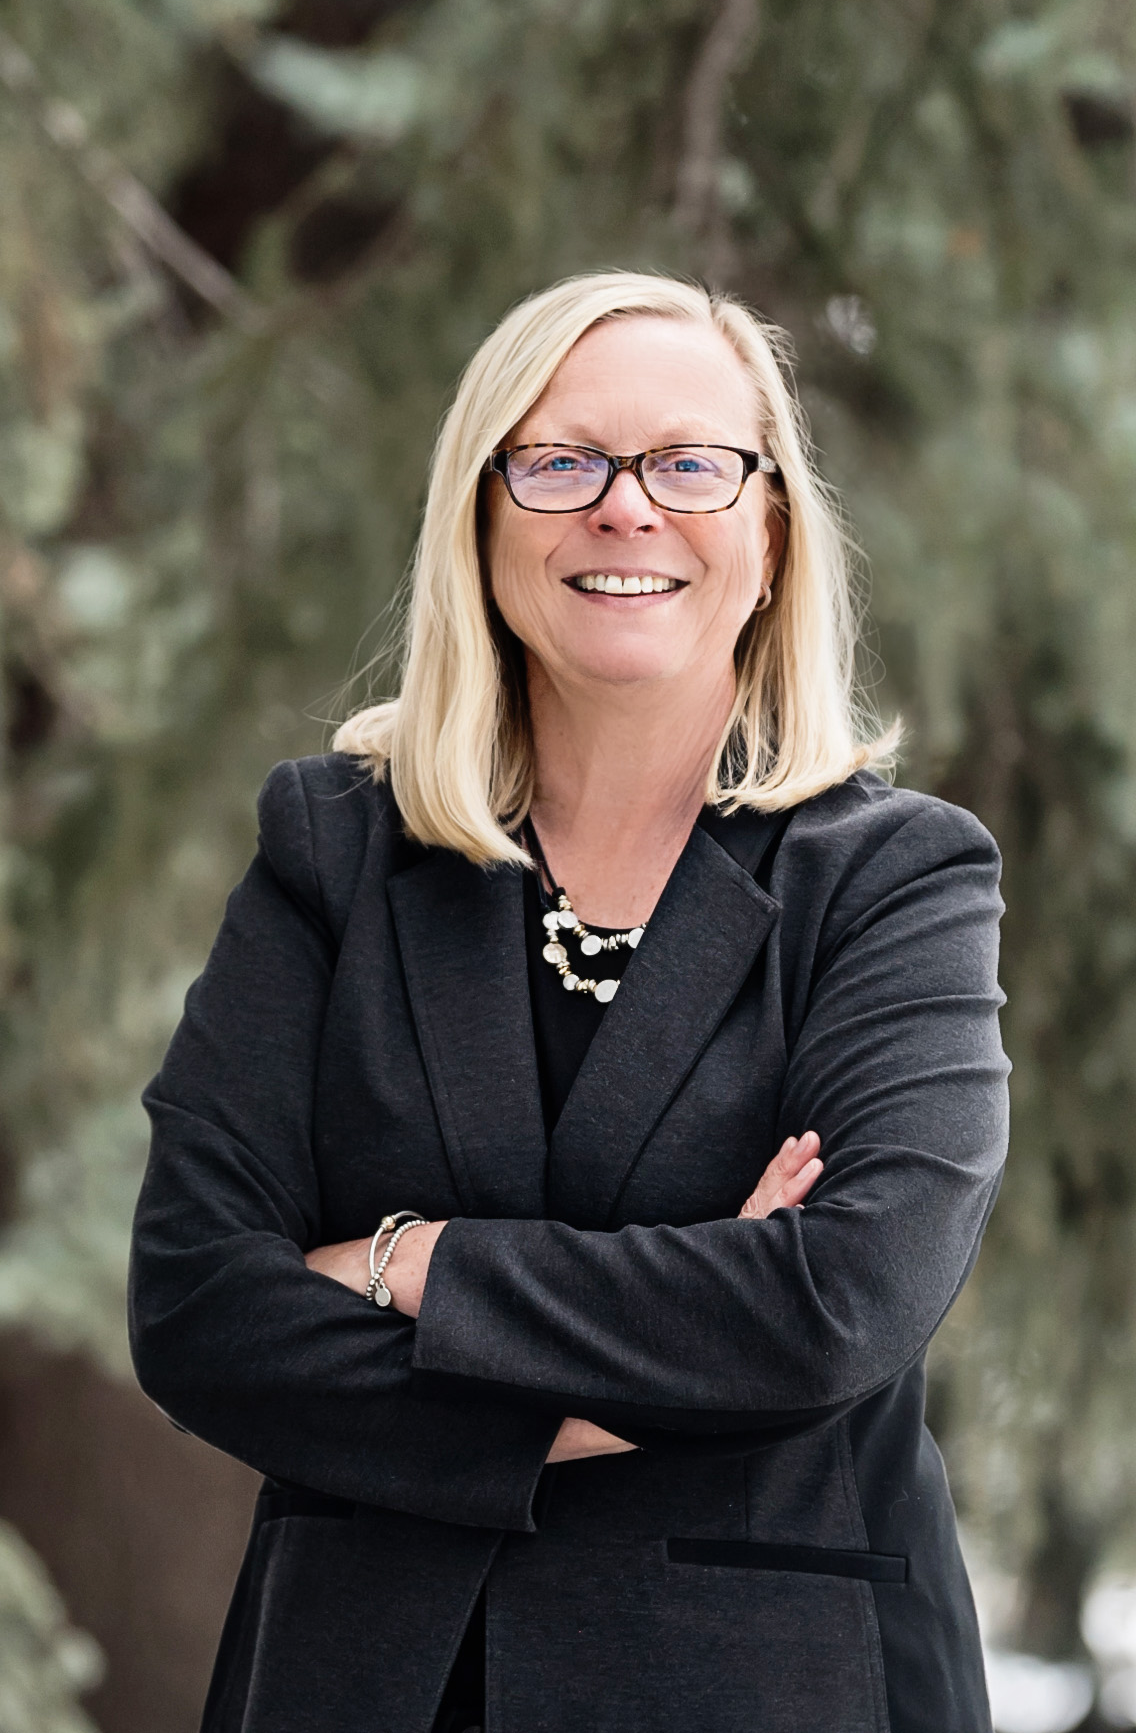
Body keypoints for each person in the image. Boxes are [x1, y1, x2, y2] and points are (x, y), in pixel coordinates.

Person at [128, 270, 1010, 1733]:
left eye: (688, 462)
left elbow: (835, 1301)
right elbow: (199, 1309)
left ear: (771, 529)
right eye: (558, 460)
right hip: (360, 1682)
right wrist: (642, 1382)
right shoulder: (331, 851)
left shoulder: (897, 880)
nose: (623, 507)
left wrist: (405, 1259)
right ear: (481, 521)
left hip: (763, 1683)